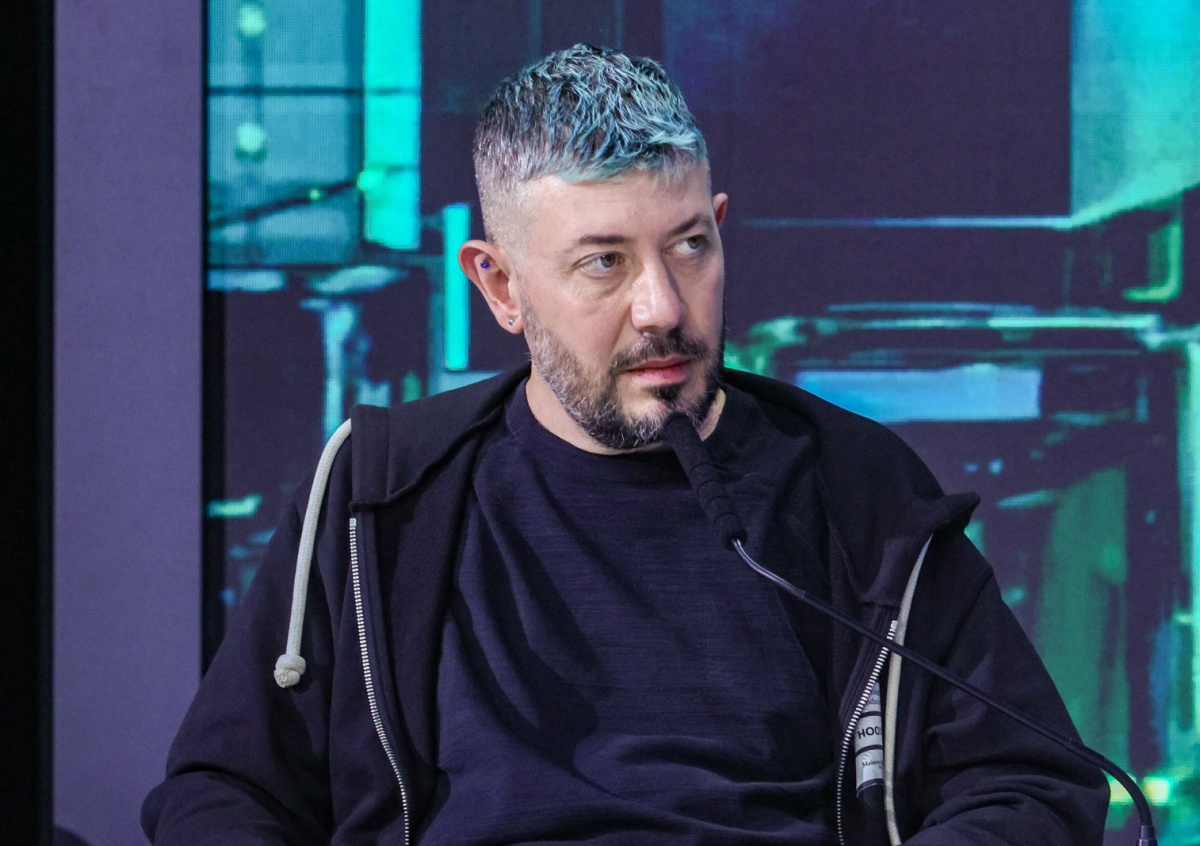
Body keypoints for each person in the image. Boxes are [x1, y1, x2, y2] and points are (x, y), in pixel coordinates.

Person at [144, 44, 1109, 844]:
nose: (663, 308)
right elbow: (221, 793)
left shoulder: (858, 490)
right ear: (500, 286)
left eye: (689, 246)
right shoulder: (382, 490)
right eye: (604, 262)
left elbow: (1032, 785)